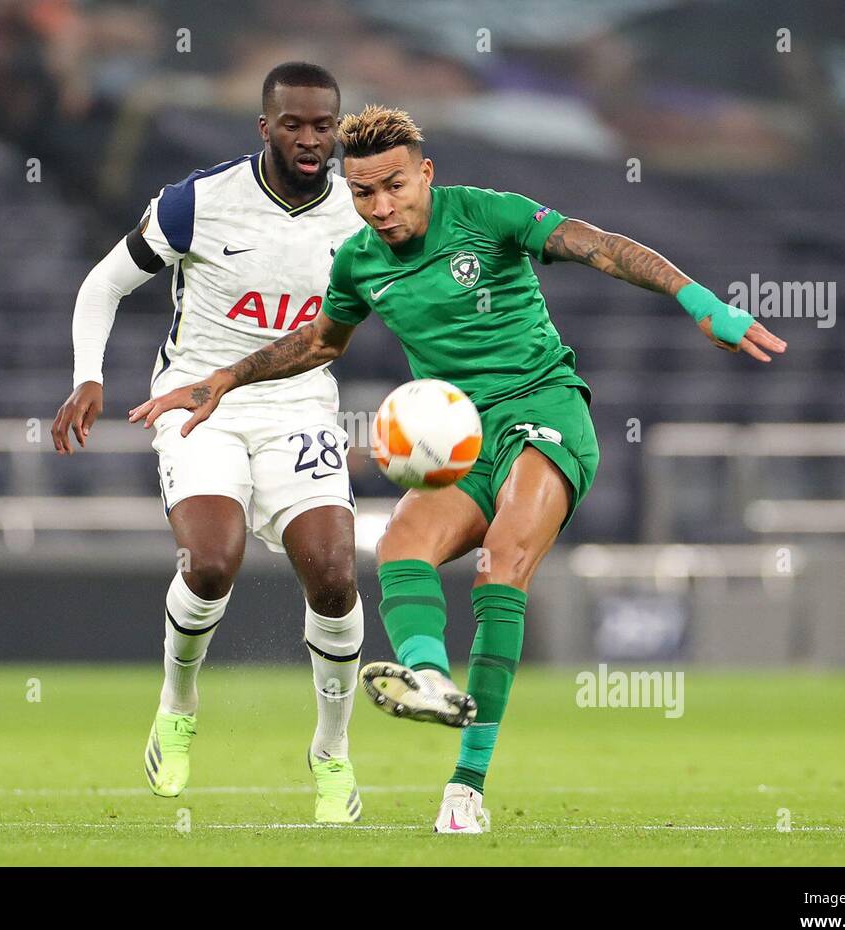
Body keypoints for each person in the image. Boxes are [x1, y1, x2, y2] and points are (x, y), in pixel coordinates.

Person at [129, 104, 786, 834]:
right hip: (459, 439)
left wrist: (697, 301)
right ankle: (434, 682)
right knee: (401, 549)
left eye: (395, 187)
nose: (381, 207)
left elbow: (598, 245)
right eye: (363, 193)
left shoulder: (488, 215)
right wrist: (227, 377)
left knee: (501, 561)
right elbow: (320, 342)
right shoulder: (359, 261)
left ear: (426, 174)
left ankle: (466, 785)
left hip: (543, 410)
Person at [53, 64, 368, 823]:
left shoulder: (362, 213)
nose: (310, 138)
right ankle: (178, 702)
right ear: (265, 127)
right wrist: (88, 376)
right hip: (199, 404)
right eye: (294, 124)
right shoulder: (199, 202)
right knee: (212, 562)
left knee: (332, 575)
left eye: (323, 125)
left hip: (298, 406)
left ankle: (331, 754)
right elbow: (104, 283)